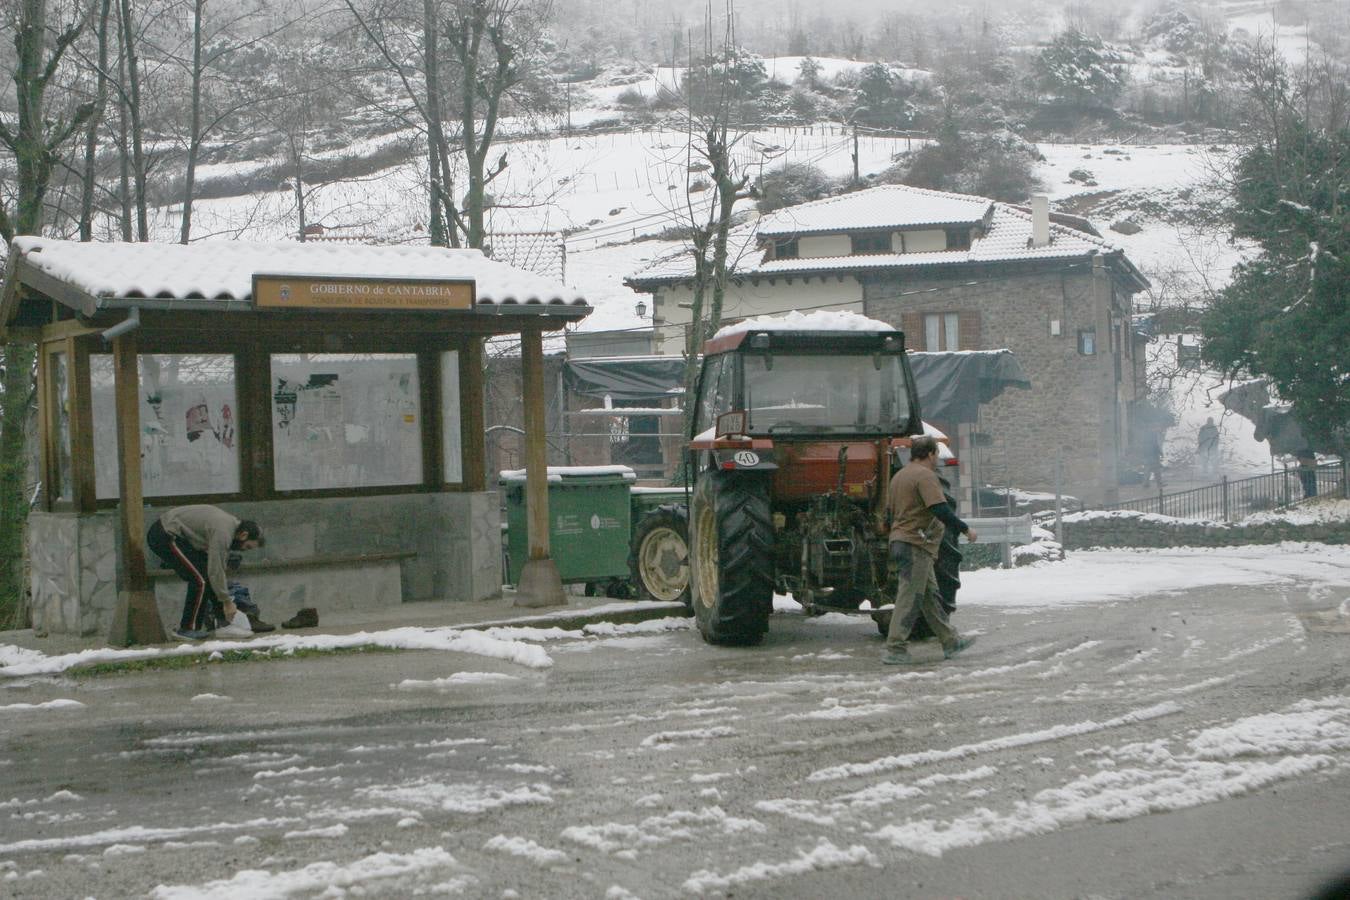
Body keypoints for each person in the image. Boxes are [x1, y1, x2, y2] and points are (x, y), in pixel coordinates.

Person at [882, 435, 978, 666]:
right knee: (909, 597)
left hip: (902, 542)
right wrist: (964, 529)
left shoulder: (899, 476)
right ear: (932, 454)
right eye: (937, 454)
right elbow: (939, 509)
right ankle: (895, 648)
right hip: (915, 544)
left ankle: (950, 641)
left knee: (929, 597)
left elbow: (887, 515)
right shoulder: (925, 476)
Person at [147, 505, 264, 641]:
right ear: (243, 535)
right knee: (199, 580)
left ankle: (223, 624)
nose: (243, 550)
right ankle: (186, 629)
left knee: (206, 577)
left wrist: (223, 597)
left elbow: (216, 569)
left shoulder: (230, 526)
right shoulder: (224, 532)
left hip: (179, 536)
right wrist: (227, 602)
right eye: (247, 546)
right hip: (165, 535)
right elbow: (216, 569)